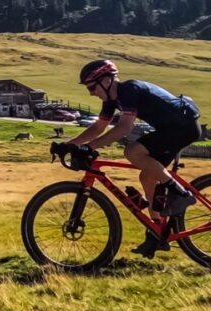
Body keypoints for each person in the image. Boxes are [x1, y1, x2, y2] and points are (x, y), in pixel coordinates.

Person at [64, 59, 202, 257]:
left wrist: (90, 147)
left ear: (107, 81)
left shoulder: (129, 90)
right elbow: (98, 127)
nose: (91, 93)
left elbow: (124, 128)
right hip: (171, 129)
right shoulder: (111, 101)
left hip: (182, 127)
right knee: (147, 178)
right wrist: (70, 145)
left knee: (132, 152)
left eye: (93, 87)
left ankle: (180, 194)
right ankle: (157, 234)